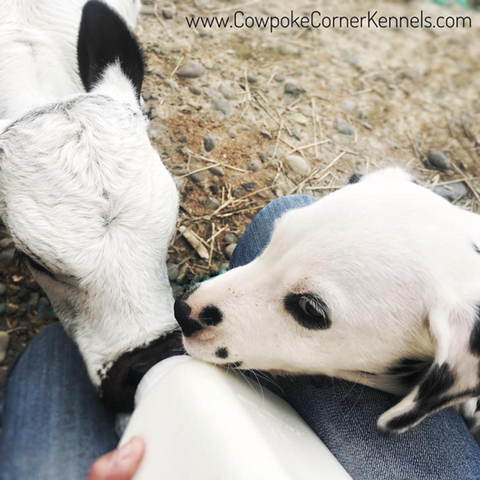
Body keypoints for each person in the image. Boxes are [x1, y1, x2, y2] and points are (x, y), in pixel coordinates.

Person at [1, 195, 479, 480]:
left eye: (309, 309)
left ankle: (158, 378)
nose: (193, 302)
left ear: (455, 369)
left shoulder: (454, 318)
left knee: (57, 354)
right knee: (291, 211)